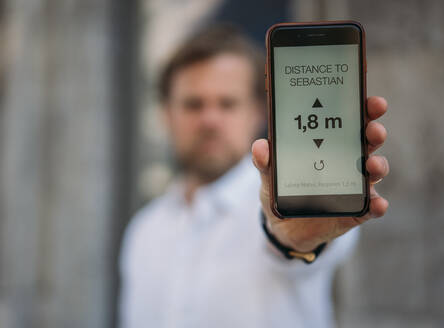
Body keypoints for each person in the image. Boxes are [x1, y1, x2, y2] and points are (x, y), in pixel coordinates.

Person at [119, 26, 389, 328]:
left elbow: (303, 249)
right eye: (193, 104)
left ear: (259, 112)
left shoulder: (290, 201)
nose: (210, 120)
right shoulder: (143, 231)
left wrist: (298, 244)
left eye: (227, 103)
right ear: (166, 114)